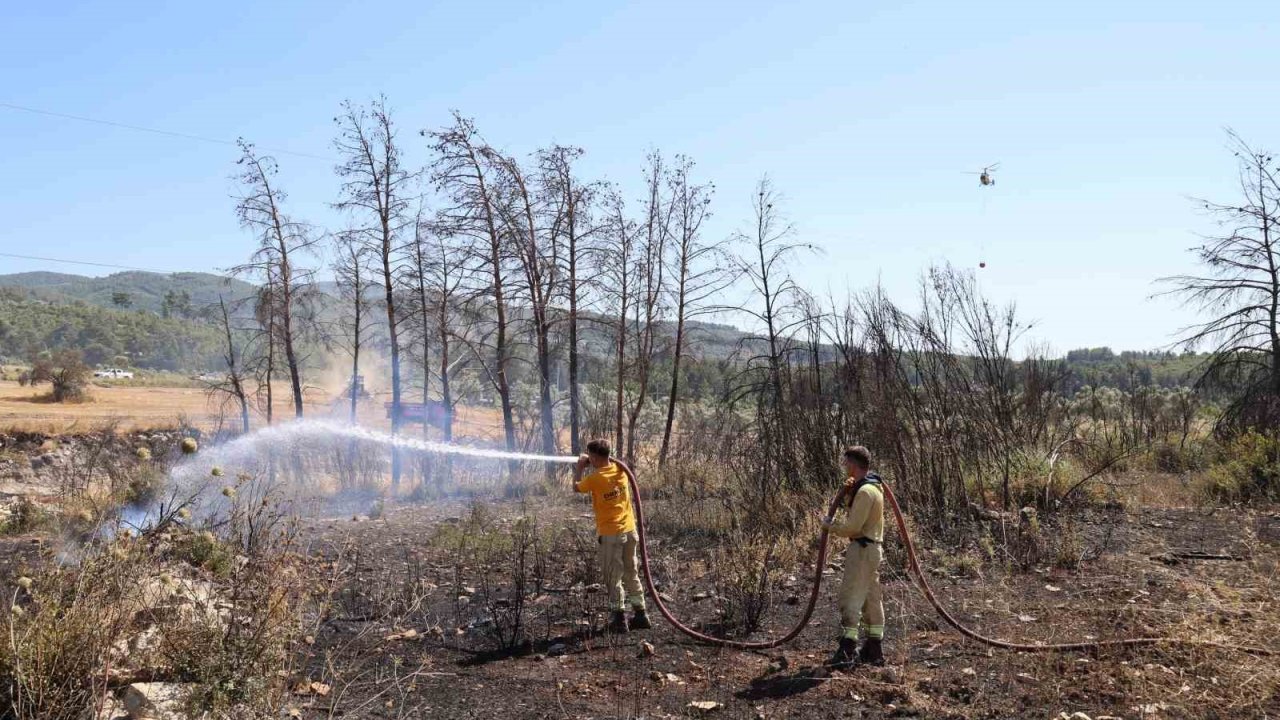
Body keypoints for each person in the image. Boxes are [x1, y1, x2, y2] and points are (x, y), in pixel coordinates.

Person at [573, 439, 651, 633]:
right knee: (631, 573)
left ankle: (619, 618)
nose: (589, 458)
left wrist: (580, 467)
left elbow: (576, 487)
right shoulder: (621, 470)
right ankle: (641, 613)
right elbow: (610, 467)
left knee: (612, 576)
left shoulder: (595, 478)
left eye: (590, 455)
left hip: (611, 534)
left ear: (594, 457)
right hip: (630, 531)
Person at [822, 445, 886, 667]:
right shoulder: (873, 488)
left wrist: (830, 526)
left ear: (852, 464)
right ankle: (874, 648)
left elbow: (853, 527)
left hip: (862, 549)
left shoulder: (866, 491)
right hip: (872, 549)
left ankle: (847, 649)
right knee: (870, 598)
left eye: (846, 463)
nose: (844, 467)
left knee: (850, 596)